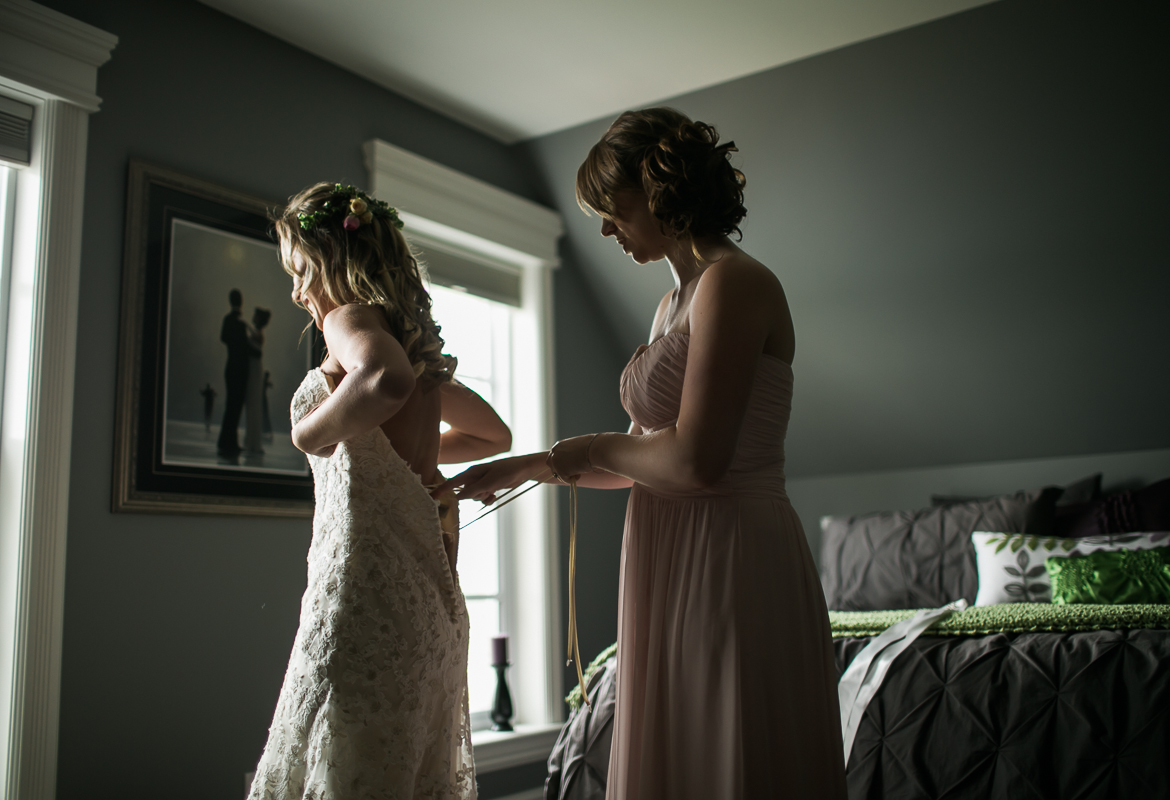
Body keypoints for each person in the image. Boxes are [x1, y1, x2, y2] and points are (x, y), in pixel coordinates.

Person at [440, 108, 847, 799]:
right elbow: (642, 459)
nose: (605, 227)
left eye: (613, 208)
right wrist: (532, 466)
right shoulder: (670, 305)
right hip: (665, 545)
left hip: (730, 548)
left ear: (660, 190)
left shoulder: (736, 283)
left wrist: (588, 447)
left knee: (730, 746)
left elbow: (694, 464)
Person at [247, 183, 510, 800]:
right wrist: (389, 456)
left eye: (298, 270)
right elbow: (491, 434)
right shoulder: (420, 354)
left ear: (327, 261)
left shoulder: (349, 320)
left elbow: (383, 381)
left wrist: (308, 433)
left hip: (365, 586)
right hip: (425, 599)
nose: (295, 292)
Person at [217, 288, 250, 459]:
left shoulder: (229, 320)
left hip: (231, 367)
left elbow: (224, 338)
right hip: (239, 369)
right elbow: (244, 346)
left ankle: (227, 441)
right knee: (235, 406)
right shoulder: (238, 322)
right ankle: (228, 442)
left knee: (232, 405)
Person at [244, 306, 271, 455]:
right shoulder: (256, 332)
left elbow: (256, 351)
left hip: (255, 369)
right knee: (253, 405)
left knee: (254, 405)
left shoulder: (258, 334)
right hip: (254, 369)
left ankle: (253, 443)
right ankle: (251, 441)